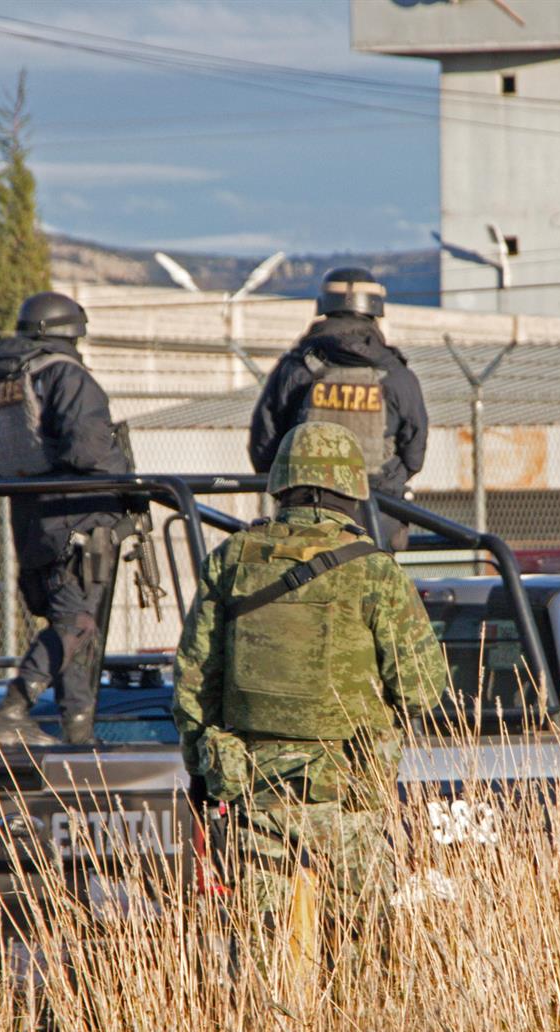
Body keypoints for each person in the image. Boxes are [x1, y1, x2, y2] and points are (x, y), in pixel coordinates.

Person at [173, 420, 448, 961]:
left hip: (254, 790)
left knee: (258, 961)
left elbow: (194, 680)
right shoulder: (374, 573)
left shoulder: (231, 561)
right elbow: (422, 689)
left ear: (280, 485)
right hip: (348, 796)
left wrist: (202, 774)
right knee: (362, 960)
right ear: (351, 490)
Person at [0, 291, 131, 748]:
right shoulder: (67, 375)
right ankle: (13, 709)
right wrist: (127, 485)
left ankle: (78, 734)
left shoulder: (4, 383)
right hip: (78, 518)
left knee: (75, 625)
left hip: (32, 521)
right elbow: (89, 449)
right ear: (71, 332)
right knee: (77, 623)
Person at [247, 267, 429, 549]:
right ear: (375, 310)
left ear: (323, 306)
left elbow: (263, 446)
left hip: (303, 521)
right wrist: (381, 488)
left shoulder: (295, 368)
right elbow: (414, 453)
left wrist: (296, 490)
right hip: (376, 520)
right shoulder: (396, 374)